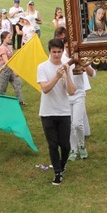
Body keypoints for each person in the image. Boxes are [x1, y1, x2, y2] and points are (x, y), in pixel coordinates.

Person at [38, 38, 76, 185]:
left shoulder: (65, 67)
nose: (57, 55)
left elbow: (71, 91)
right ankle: (57, 172)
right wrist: (57, 76)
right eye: (54, 52)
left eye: (59, 52)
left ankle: (62, 163)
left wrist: (66, 75)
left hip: (63, 111)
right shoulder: (42, 67)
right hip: (47, 112)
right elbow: (45, 89)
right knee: (52, 144)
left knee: (65, 145)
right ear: (50, 51)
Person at [0, 31, 25, 105]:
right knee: (2, 88)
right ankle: (0, 103)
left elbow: (12, 59)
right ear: (3, 38)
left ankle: (20, 101)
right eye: (8, 37)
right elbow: (7, 61)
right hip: (4, 69)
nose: (10, 39)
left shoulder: (8, 47)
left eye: (10, 37)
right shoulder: (2, 48)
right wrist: (14, 70)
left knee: (17, 83)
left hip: (11, 68)